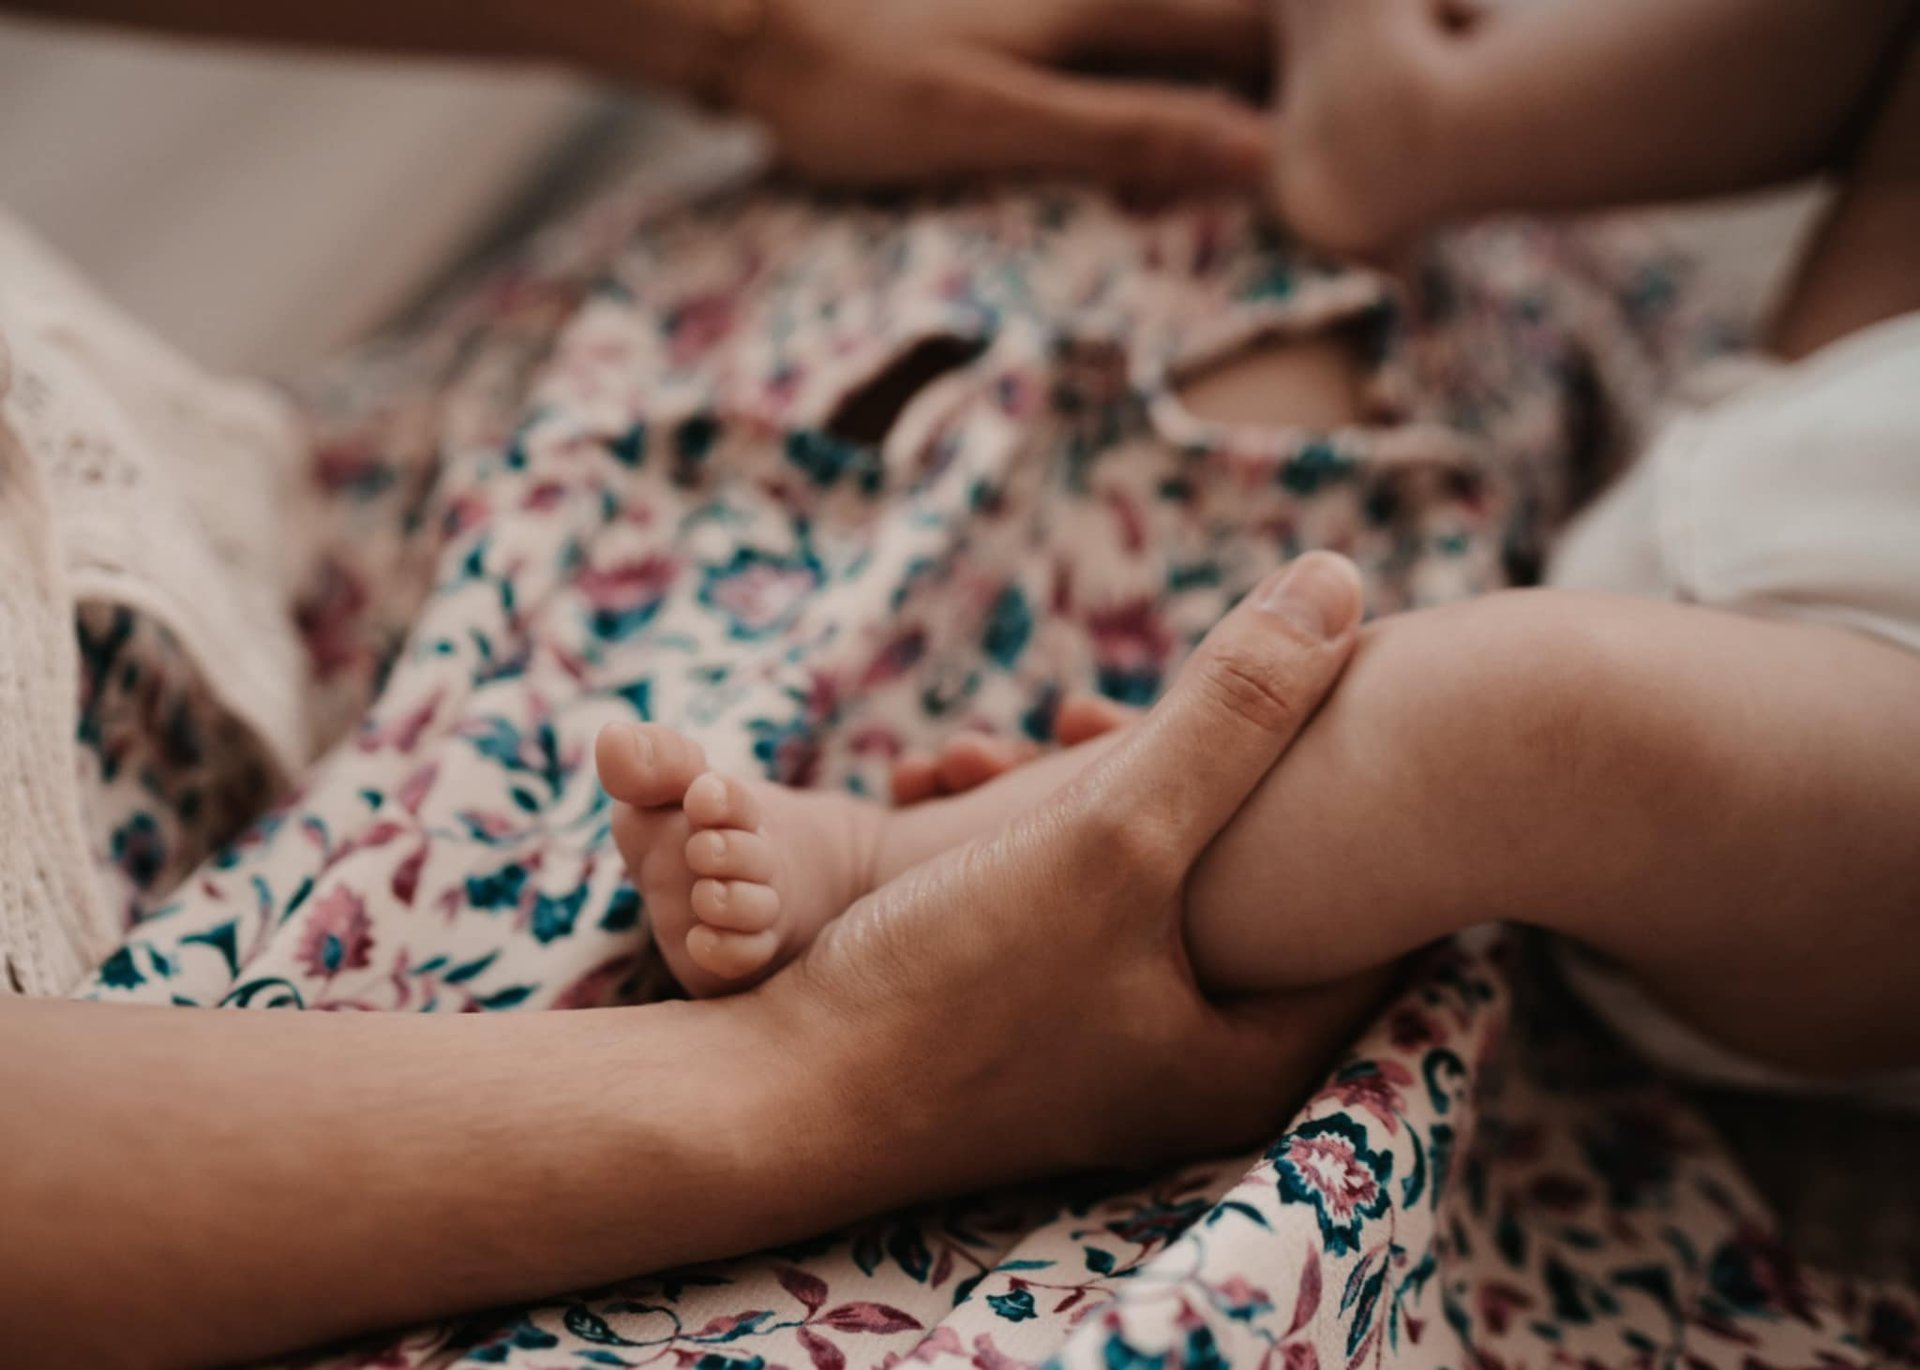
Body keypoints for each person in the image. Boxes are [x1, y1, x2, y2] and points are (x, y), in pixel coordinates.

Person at [609, 0, 1920, 1089]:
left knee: (1534, 720)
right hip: (1840, 408)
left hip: (1876, 741)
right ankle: (1421, 128)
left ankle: (895, 869)